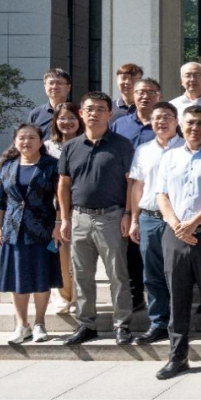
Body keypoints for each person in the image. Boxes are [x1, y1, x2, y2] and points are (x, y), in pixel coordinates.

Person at [152, 106, 201, 380]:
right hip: (175, 236)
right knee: (178, 297)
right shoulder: (169, 157)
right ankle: (178, 356)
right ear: (181, 126)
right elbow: (161, 195)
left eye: (200, 123)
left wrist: (193, 223)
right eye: (190, 123)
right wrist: (177, 225)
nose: (195, 128)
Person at [58, 91, 136, 346]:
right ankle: (86, 324)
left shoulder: (122, 145)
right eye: (90, 109)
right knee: (81, 275)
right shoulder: (71, 147)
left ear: (109, 114)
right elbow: (64, 184)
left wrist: (128, 214)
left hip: (112, 217)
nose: (95, 113)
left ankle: (122, 324)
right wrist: (65, 219)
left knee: (117, 274)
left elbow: (131, 183)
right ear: (82, 113)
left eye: (100, 109)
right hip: (79, 217)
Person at [0, 124, 62, 344]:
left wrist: (58, 224)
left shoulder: (51, 166)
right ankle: (22, 325)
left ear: (41, 142)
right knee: (18, 278)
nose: (27, 142)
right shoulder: (8, 167)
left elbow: (61, 198)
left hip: (44, 229)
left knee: (42, 277)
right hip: (14, 230)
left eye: (32, 137)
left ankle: (40, 323)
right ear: (15, 141)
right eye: (22, 138)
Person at [127, 102, 183, 345]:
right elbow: (137, 186)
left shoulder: (186, 148)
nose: (162, 122)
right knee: (152, 274)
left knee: (178, 273)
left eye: (167, 117)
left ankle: (179, 322)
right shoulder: (143, 150)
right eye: (157, 117)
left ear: (176, 121)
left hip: (178, 220)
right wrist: (134, 219)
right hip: (149, 217)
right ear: (150, 122)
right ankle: (158, 322)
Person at [44, 103, 84, 315]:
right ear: (55, 121)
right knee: (59, 253)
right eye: (62, 118)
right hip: (53, 209)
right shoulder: (47, 147)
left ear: (80, 120)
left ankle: (78, 298)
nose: (67, 122)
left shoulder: (87, 143)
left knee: (80, 256)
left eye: (72, 118)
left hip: (80, 206)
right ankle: (61, 297)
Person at [110, 78, 161, 147]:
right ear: (134, 96)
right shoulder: (120, 124)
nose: (145, 96)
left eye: (151, 92)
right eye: (140, 92)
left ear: (159, 97)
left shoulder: (166, 125)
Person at [28, 68, 72, 134]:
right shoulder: (36, 114)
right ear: (45, 86)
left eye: (59, 83)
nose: (54, 87)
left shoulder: (77, 113)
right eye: (51, 83)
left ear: (68, 87)